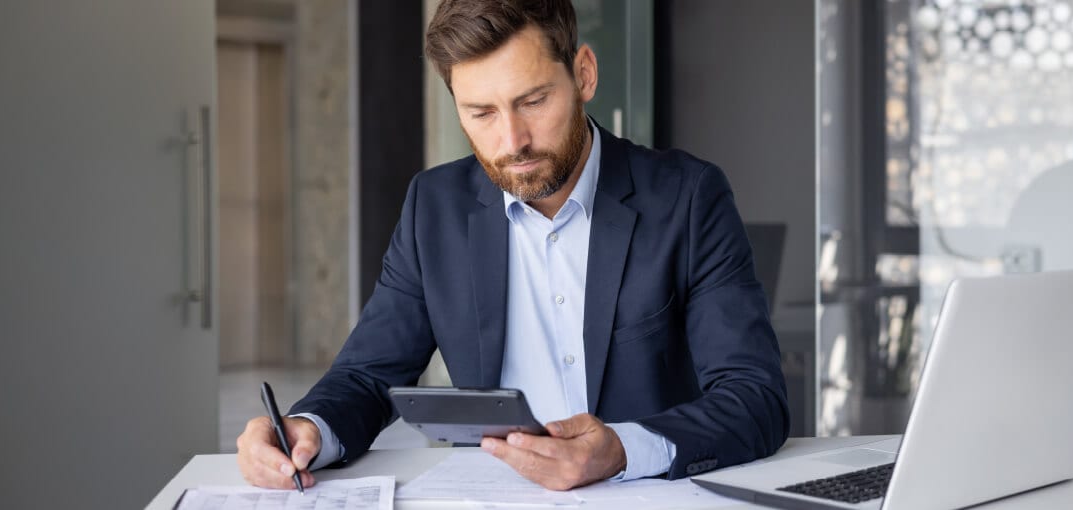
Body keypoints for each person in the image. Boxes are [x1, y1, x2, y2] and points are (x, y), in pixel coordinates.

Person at [236, 0, 789, 491]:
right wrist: (307, 430)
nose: (512, 141)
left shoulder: (687, 198)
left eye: (533, 101)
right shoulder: (434, 206)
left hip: (646, 493)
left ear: (585, 74)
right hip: (492, 494)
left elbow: (755, 396)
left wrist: (619, 450)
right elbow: (367, 374)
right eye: (481, 113)